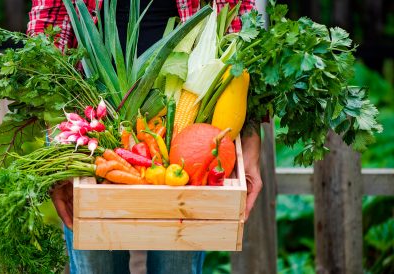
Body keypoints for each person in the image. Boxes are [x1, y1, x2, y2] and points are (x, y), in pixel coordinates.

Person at [28, 1, 262, 273]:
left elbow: (240, 21)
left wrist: (250, 137)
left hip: (191, 117)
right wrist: (59, 148)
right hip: (88, 120)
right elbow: (49, 24)